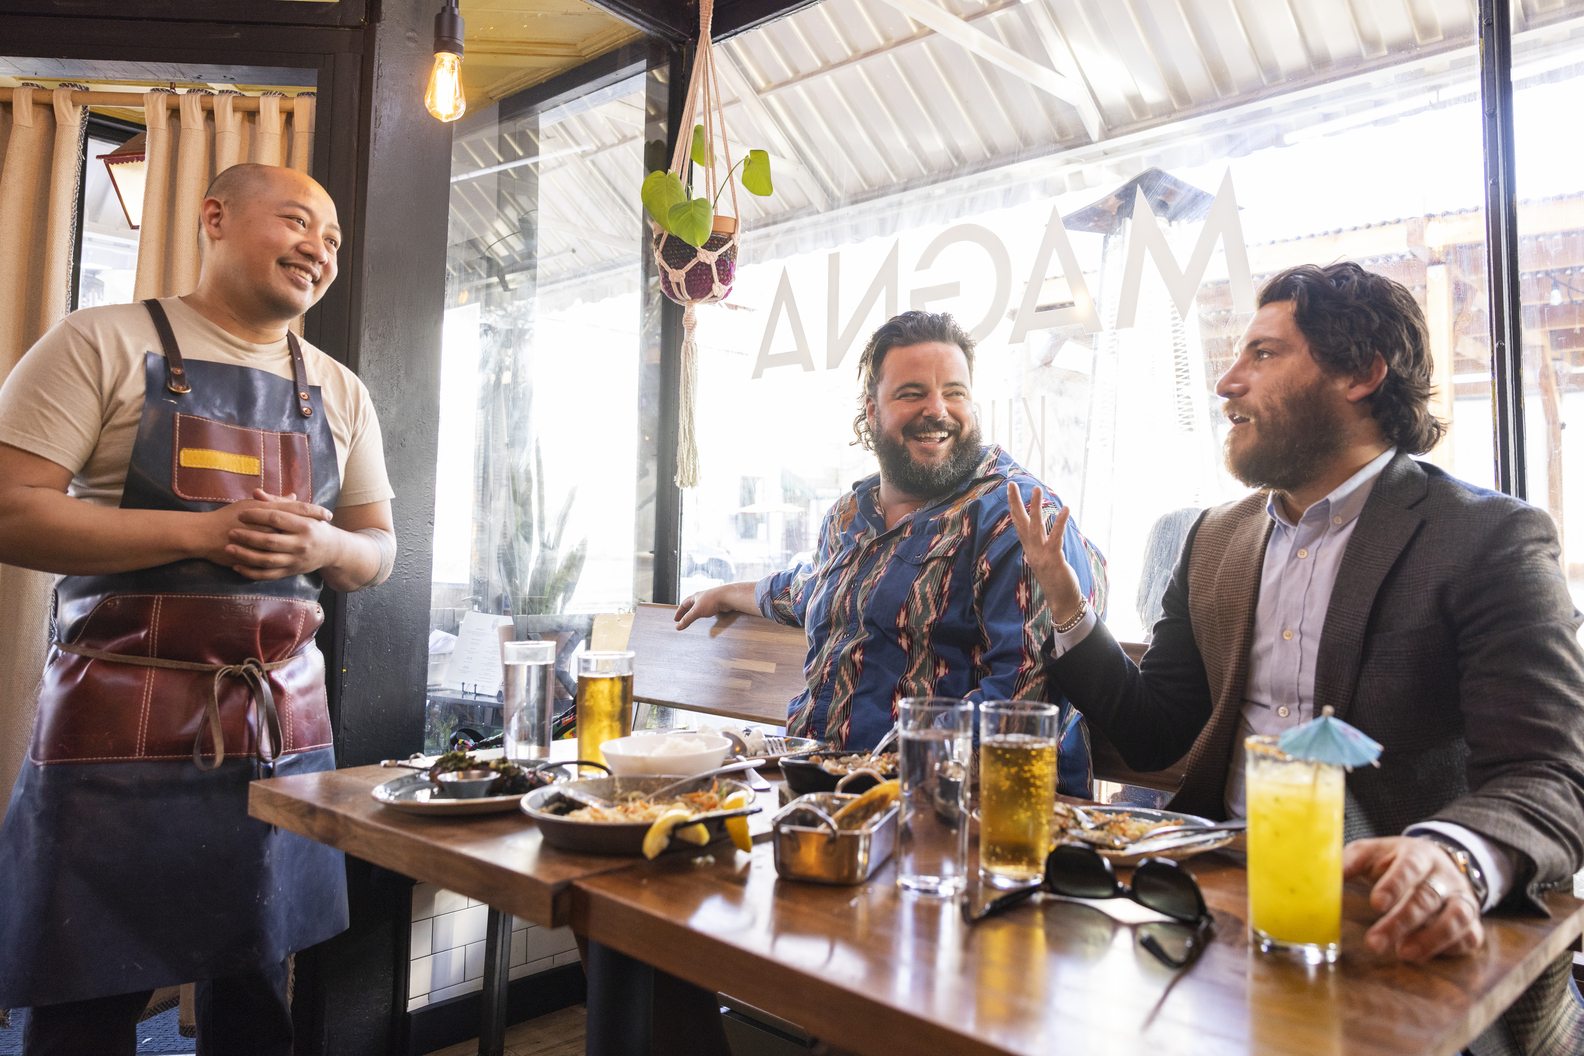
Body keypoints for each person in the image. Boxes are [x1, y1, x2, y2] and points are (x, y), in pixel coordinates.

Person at [1011, 262, 1584, 1052]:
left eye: (1262, 354)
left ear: (1360, 373)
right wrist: (1069, 607)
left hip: (1399, 929)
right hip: (1219, 908)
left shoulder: (1488, 539)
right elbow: (1156, 735)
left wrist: (1453, 858)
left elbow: (1550, 774)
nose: (1226, 381)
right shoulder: (1211, 540)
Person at [0, 163, 396, 1055]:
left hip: (279, 722)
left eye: (332, 240)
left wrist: (325, 549)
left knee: (255, 981)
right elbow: (10, 509)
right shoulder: (98, 340)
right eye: (297, 222)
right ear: (214, 216)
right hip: (114, 716)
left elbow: (377, 550)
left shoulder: (338, 388)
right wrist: (205, 535)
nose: (318, 250)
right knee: (85, 989)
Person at [676, 310, 1107, 792]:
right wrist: (725, 594)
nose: (938, 409)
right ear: (871, 410)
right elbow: (808, 588)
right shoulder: (847, 514)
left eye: (954, 392)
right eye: (911, 393)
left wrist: (885, 769)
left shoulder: (1018, 518)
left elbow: (1026, 704)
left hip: (950, 813)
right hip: (816, 790)